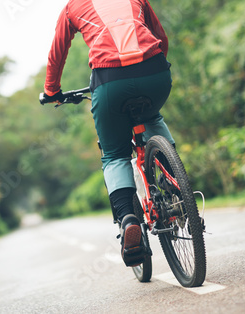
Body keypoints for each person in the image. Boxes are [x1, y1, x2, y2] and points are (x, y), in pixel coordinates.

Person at [42, 0, 175, 266]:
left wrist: (52, 90)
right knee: (152, 116)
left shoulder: (72, 7)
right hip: (156, 72)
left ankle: (127, 219)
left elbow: (57, 54)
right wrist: (154, 65)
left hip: (110, 82)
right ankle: (174, 180)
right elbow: (160, 38)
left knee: (114, 154)